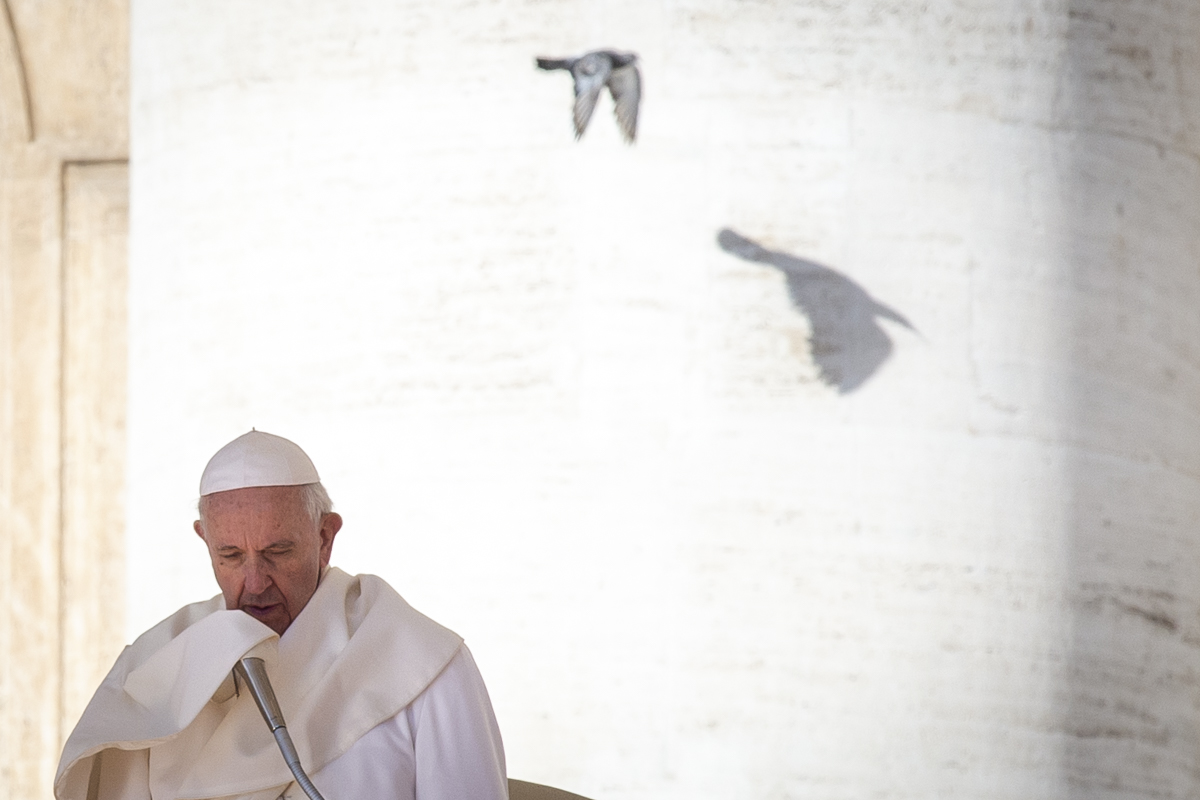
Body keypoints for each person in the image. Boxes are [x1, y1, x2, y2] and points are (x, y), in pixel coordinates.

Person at [55, 430, 508, 800]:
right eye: (230, 555)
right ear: (204, 542)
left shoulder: (423, 664)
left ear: (325, 538)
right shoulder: (155, 666)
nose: (254, 583)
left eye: (278, 551)